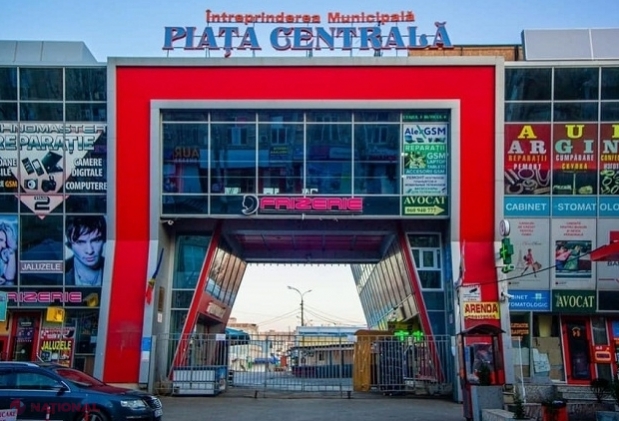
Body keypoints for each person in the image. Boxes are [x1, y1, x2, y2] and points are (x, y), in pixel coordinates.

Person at [65, 215, 106, 286]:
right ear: (70, 243)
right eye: (80, 242)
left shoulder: (117, 269)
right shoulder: (58, 273)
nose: (90, 251)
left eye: (96, 240)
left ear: (104, 240)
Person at [0, 220, 17, 286]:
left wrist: (11, 254)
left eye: (5, 242)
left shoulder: (2, 261)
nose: (3, 245)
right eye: (0, 240)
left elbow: (9, 279)